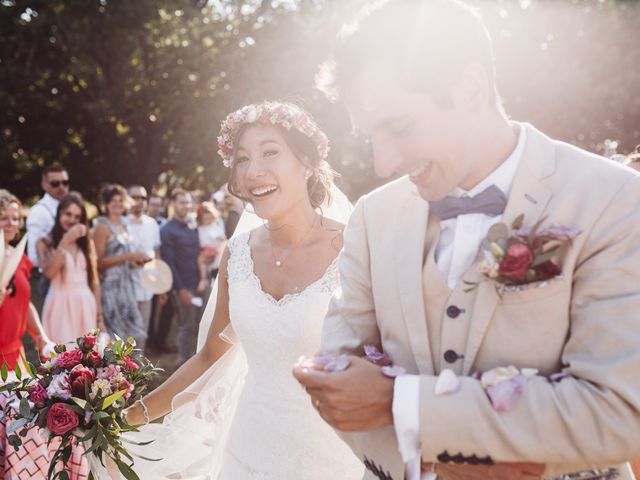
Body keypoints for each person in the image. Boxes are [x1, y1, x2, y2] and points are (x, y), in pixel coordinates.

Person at [293, 1, 640, 480]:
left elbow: (620, 411)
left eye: (399, 127)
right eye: (371, 136)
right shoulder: (374, 216)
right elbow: (338, 382)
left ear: (471, 87)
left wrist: (403, 405)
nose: (383, 163)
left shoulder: (613, 199)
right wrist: (433, 464)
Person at [125, 101, 363, 480]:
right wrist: (127, 417)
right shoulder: (237, 254)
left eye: (270, 152)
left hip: (332, 457)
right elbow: (210, 358)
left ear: (307, 161)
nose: (254, 171)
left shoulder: (355, 249)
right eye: (241, 159)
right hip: (248, 449)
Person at [37, 193, 102, 344]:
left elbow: (94, 281)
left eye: (77, 217)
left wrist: (100, 318)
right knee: (62, 356)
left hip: (86, 304)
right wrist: (66, 240)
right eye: (68, 214)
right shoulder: (45, 242)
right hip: (60, 304)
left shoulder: (86, 243)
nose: (72, 220)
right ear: (59, 213)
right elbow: (49, 273)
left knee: (87, 358)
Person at [0, 189, 53, 370]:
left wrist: (40, 335)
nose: (10, 224)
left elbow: (24, 302)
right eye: (3, 218)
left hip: (16, 356)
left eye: (15, 218)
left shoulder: (18, 258)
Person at [93, 184, 149, 347]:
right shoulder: (102, 226)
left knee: (134, 335)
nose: (117, 203)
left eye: (120, 200)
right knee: (116, 337)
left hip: (126, 285)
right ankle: (115, 372)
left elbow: (123, 260)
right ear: (106, 204)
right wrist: (130, 256)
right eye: (112, 200)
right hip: (110, 288)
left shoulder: (124, 226)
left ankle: (132, 371)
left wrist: (135, 262)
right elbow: (98, 262)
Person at [159, 189, 203, 365]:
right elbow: (169, 263)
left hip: (199, 282)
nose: (186, 205)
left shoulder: (194, 226)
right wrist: (180, 289)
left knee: (200, 323)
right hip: (182, 285)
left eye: (188, 202)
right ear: (173, 204)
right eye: (182, 202)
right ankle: (184, 360)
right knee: (186, 325)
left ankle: (198, 359)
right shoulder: (167, 230)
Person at [25, 164, 70, 299]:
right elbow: (34, 257)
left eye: (65, 182)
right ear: (44, 185)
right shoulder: (39, 212)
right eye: (55, 183)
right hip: (52, 280)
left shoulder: (70, 207)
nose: (61, 187)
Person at [127, 185, 164, 335]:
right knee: (126, 336)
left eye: (143, 198)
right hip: (127, 286)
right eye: (135, 197)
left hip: (147, 286)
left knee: (142, 333)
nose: (140, 201)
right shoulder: (122, 223)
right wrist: (131, 262)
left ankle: (139, 359)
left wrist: (161, 284)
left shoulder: (152, 224)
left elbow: (157, 252)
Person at [196, 200, 226, 288]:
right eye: (206, 219)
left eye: (210, 218)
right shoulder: (201, 227)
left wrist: (220, 238)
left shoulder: (213, 227)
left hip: (213, 249)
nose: (209, 221)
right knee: (203, 263)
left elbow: (220, 237)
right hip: (205, 249)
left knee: (200, 260)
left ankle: (203, 279)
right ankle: (205, 279)